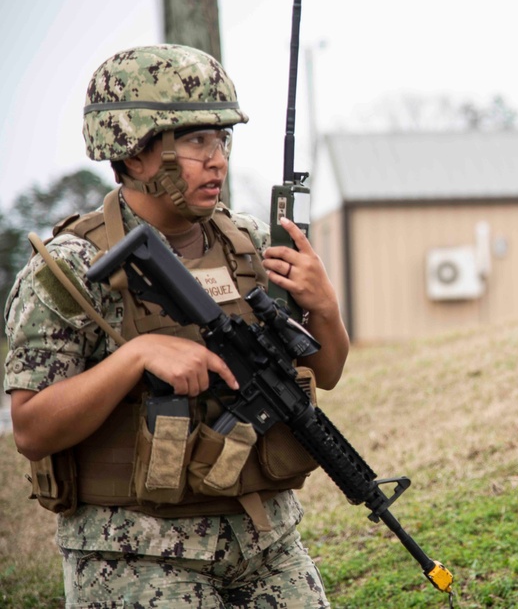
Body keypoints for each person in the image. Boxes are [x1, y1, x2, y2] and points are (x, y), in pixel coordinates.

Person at [4, 44, 349, 607]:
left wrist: (325, 308)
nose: (218, 159)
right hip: (133, 553)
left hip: (266, 539)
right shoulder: (68, 270)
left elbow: (326, 373)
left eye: (222, 140)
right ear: (134, 152)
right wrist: (136, 357)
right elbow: (32, 429)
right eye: (195, 141)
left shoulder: (252, 244)